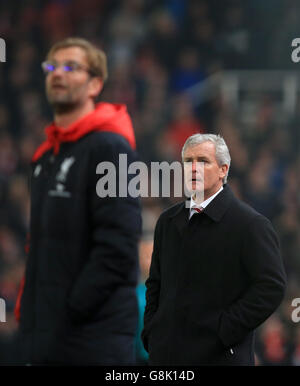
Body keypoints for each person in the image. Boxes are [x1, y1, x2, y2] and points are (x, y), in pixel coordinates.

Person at [14, 37, 142, 365]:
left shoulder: (111, 150)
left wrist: (69, 310)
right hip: (47, 339)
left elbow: (118, 247)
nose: (58, 73)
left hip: (92, 340)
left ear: (95, 84)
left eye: (71, 67)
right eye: (52, 67)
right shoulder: (45, 158)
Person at [142, 133, 286, 366]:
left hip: (220, 359)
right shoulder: (167, 221)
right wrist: (152, 331)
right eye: (188, 161)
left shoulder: (250, 224)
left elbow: (271, 288)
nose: (193, 168)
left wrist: (223, 331)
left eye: (203, 161)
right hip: (166, 357)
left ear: (223, 170)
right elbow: (155, 284)